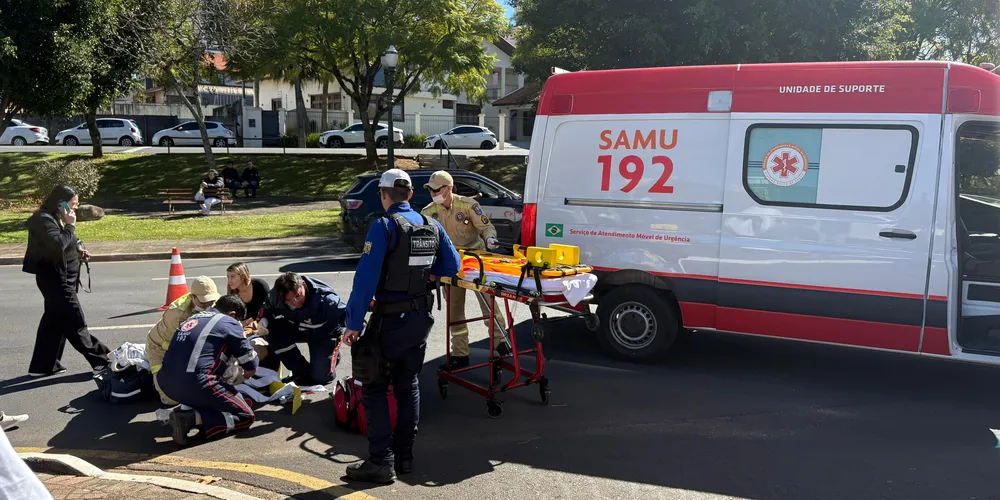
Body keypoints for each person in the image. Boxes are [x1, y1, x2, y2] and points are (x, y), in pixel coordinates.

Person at [342, 168, 460, 484]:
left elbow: (365, 279)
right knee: (408, 385)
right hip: (420, 319)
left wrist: (353, 323)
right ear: (409, 195)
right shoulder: (432, 224)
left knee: (376, 387)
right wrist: (423, 275)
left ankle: (381, 461)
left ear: (383, 196)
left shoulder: (384, 226)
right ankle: (404, 456)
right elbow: (453, 265)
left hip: (390, 320)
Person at [420, 170, 508, 369]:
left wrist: (490, 239)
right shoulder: (428, 212)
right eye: (430, 190)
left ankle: (501, 342)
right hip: (451, 266)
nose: (433, 193)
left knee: (489, 303)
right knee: (455, 311)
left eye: (437, 189)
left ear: (449, 188)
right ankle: (460, 354)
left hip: (475, 262)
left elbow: (486, 228)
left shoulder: (468, 205)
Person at [23, 185, 111, 378]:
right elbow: (56, 246)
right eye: (72, 204)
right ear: (60, 203)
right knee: (75, 321)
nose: (75, 209)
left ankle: (43, 366)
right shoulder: (43, 220)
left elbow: (67, 242)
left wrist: (79, 251)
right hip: (56, 281)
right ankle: (102, 360)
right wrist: (71, 225)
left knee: (53, 322)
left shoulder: (55, 218)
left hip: (63, 278)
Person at [159, 295, 258, 446]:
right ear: (232, 315)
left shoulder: (193, 319)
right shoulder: (228, 322)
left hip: (166, 383)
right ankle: (191, 419)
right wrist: (247, 374)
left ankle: (190, 409)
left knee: (219, 396)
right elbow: (249, 362)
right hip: (197, 384)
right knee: (246, 415)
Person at [146, 276, 222, 406]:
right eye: (204, 303)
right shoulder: (179, 316)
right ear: (192, 297)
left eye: (211, 302)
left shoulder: (209, 301)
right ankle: (154, 379)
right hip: (161, 349)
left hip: (182, 347)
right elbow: (185, 349)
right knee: (171, 399)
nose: (209, 306)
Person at [261, 272, 346, 386]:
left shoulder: (326, 300)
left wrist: (358, 333)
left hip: (324, 334)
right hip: (297, 327)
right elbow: (267, 308)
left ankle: (329, 358)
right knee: (273, 332)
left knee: (321, 377)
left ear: (304, 285)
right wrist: (263, 320)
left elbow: (349, 316)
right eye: (289, 300)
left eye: (298, 295)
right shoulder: (275, 296)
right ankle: (301, 371)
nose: (295, 302)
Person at [226, 262, 277, 371]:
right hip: (244, 327)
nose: (229, 280)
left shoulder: (260, 286)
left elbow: (268, 310)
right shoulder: (232, 291)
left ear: (243, 275)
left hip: (263, 323)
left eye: (233, 276)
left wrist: (251, 323)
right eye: (228, 277)